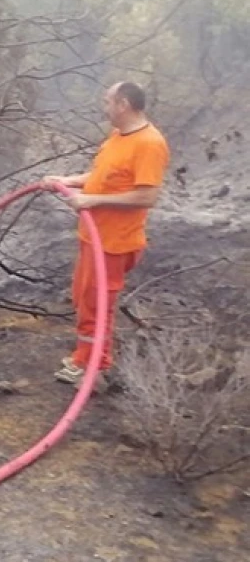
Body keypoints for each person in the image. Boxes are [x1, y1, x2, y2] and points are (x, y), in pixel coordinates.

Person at [44, 81, 169, 385]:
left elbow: (146, 196)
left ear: (123, 104)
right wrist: (69, 180)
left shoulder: (149, 144)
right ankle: (84, 356)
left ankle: (94, 365)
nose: (105, 107)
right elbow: (103, 176)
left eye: (108, 102)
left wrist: (93, 200)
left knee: (99, 304)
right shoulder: (117, 137)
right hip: (93, 236)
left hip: (115, 242)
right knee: (84, 298)